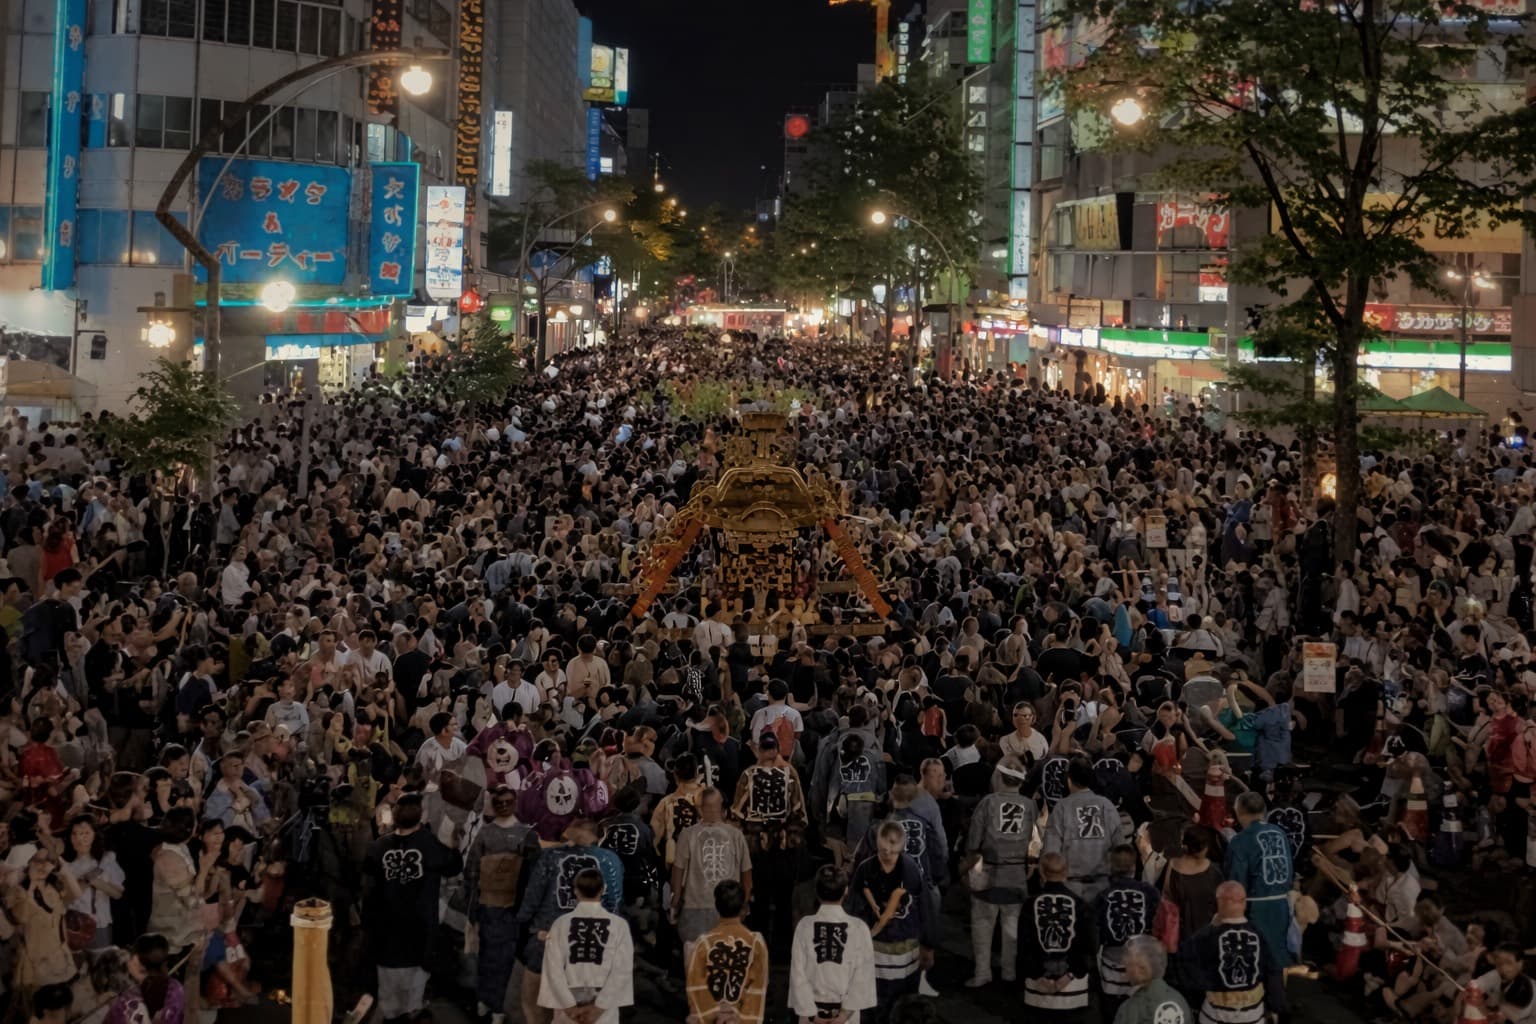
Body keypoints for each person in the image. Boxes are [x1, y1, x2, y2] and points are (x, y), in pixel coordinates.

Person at [363, 791, 464, 1023]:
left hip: (386, 934)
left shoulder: (378, 848)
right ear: (420, 817)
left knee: (388, 996)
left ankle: (391, 1016)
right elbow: (453, 867)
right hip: (419, 933)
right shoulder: (430, 845)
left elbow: (368, 892)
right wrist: (454, 845)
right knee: (413, 997)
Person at [515, 820, 625, 1024]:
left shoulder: (549, 857)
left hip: (547, 940)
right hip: (593, 943)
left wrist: (522, 925)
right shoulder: (610, 860)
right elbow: (614, 904)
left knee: (533, 1005)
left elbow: (532, 899)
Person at [464, 784, 542, 1024]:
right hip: (503, 909)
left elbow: (471, 873)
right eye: (502, 802)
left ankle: (489, 1002)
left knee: (494, 957)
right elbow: (534, 877)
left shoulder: (488, 834)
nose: (505, 806)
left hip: (500, 908)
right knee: (497, 958)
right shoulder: (522, 835)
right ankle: (492, 1003)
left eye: (506, 802)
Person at [731, 731, 807, 955]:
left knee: (759, 900)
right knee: (784, 901)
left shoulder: (748, 775)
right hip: (784, 848)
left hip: (756, 849)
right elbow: (800, 814)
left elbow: (737, 814)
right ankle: (783, 950)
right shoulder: (789, 773)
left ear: (759, 750)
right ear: (776, 750)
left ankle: (759, 947)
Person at [963, 755, 1036, 987]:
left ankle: (983, 972)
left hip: (989, 872)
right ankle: (1009, 972)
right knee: (1011, 925)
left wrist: (968, 867)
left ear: (999, 776)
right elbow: (1034, 841)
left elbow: (974, 842)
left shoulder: (988, 802)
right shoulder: (1030, 805)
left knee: (984, 925)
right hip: (1016, 874)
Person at [847, 820, 933, 1014]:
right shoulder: (865, 869)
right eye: (884, 850)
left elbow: (923, 909)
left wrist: (927, 944)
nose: (888, 856)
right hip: (875, 953)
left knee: (901, 1007)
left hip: (904, 954)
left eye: (893, 851)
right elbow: (853, 909)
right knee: (873, 1004)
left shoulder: (911, 870)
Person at [1177, 881, 1286, 1024]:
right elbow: (1274, 971)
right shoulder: (1259, 934)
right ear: (1244, 902)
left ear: (1219, 902)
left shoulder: (1206, 937)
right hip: (1252, 1016)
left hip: (1215, 1016)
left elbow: (1184, 961)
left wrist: (1210, 927)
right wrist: (1276, 1007)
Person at [537, 867, 634, 1024]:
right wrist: (598, 1008)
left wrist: (569, 1008)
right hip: (603, 1006)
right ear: (602, 890)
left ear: (576, 891)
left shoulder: (561, 924)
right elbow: (622, 971)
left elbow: (553, 969)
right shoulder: (619, 925)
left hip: (568, 1004)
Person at [672, 786, 753, 960]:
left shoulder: (687, 835)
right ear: (724, 810)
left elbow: (678, 872)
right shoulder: (736, 835)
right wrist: (744, 903)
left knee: (695, 962)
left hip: (695, 908)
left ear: (699, 809)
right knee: (725, 961)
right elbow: (747, 876)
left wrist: (676, 901)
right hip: (728, 909)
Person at [789, 865, 878, 1024]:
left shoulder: (804, 926)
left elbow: (798, 975)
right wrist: (843, 1016)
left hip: (812, 1013)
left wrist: (811, 1015)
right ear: (846, 891)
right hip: (846, 1015)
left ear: (816, 891)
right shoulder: (859, 928)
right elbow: (862, 978)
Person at [1020, 851, 1097, 1020]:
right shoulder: (1080, 905)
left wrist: (1037, 975)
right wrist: (1070, 975)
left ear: (1041, 872)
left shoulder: (1029, 905)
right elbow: (1089, 946)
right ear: (1065, 872)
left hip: (1038, 988)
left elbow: (1024, 945)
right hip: (1072, 990)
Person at [1224, 791, 1294, 964]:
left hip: (1257, 907)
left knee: (1256, 957)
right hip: (1283, 904)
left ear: (1239, 812)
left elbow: (1236, 881)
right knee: (1278, 954)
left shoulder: (1240, 841)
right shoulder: (1279, 832)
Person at [686, 880, 770, 1024]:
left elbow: (696, 985)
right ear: (743, 907)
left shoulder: (703, 943)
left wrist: (715, 1014)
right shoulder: (755, 942)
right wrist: (739, 1017)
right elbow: (758, 988)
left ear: (716, 906)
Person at [1044, 758, 1124, 903]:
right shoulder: (1106, 805)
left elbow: (1051, 852)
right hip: (1103, 886)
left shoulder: (1062, 807)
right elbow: (1121, 848)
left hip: (1070, 887)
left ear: (1068, 780)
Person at [1096, 844, 1161, 1023]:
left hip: (1112, 965)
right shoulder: (1151, 893)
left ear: (1111, 866)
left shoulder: (1103, 896)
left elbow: (1097, 933)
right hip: (1143, 964)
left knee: (1112, 1012)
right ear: (1134, 866)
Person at [1112, 935, 1192, 1024]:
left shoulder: (1130, 1009)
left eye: (1128, 964)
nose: (1124, 968)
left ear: (1142, 969)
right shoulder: (1180, 1000)